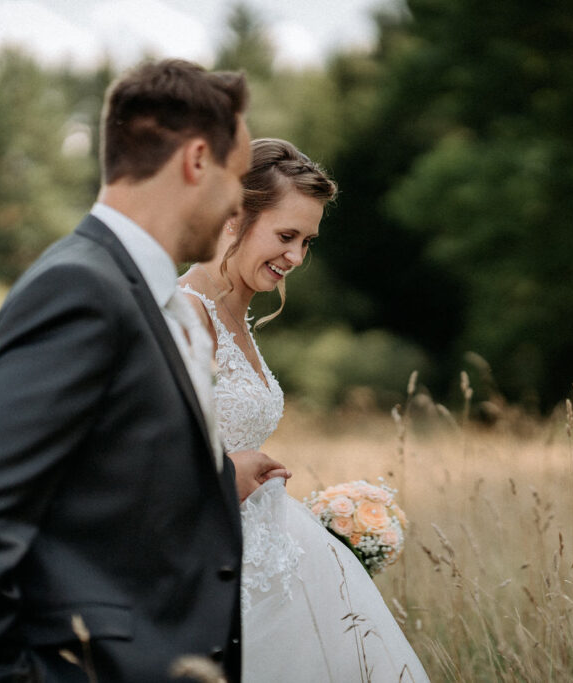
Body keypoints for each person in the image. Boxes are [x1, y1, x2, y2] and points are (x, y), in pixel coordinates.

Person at [0, 59, 285, 683]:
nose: (235, 206)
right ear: (197, 160)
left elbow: (106, 491)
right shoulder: (79, 289)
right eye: (237, 177)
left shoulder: (141, 291)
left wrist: (219, 480)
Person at [178, 138, 430, 682]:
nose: (296, 257)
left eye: (306, 241)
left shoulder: (238, 320)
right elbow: (136, 457)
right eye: (285, 236)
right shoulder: (183, 315)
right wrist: (224, 474)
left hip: (276, 553)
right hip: (213, 566)